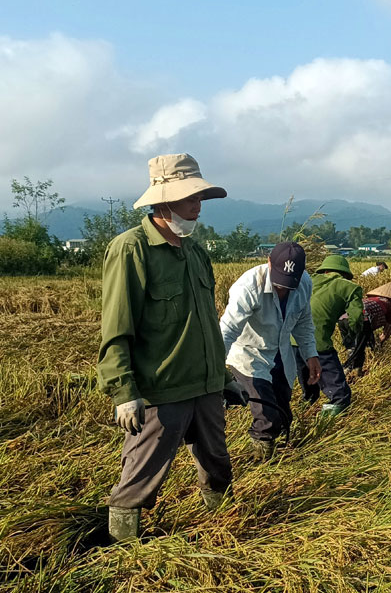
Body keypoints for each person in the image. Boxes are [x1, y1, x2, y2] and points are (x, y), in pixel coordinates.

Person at [98, 153, 248, 542]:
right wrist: (124, 392)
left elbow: (206, 324)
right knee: (141, 476)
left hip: (206, 386)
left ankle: (222, 528)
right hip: (162, 388)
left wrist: (222, 376)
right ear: (162, 202)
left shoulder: (196, 252)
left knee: (218, 465)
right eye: (190, 199)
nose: (197, 207)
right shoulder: (131, 249)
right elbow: (117, 328)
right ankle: (121, 549)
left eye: (199, 198)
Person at [220, 242, 320, 461]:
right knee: (267, 415)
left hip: (281, 355)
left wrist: (311, 354)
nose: (282, 289)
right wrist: (217, 369)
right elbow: (227, 330)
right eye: (279, 283)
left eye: (288, 285)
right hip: (249, 355)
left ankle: (283, 457)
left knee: (284, 413)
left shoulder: (304, 283)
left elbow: (303, 322)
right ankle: (262, 461)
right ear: (268, 262)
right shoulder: (248, 286)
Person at [298, 254, 363, 416]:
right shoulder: (350, 287)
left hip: (290, 341)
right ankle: (325, 429)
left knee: (310, 389)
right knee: (340, 395)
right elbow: (356, 318)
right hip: (317, 343)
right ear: (345, 274)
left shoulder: (307, 280)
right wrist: (354, 336)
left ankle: (302, 418)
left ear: (324, 270)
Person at [340, 282, 391, 381]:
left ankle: (358, 372)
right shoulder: (390, 307)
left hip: (343, 319)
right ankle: (344, 374)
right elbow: (387, 330)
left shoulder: (369, 300)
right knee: (358, 349)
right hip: (362, 320)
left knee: (353, 347)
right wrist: (380, 343)